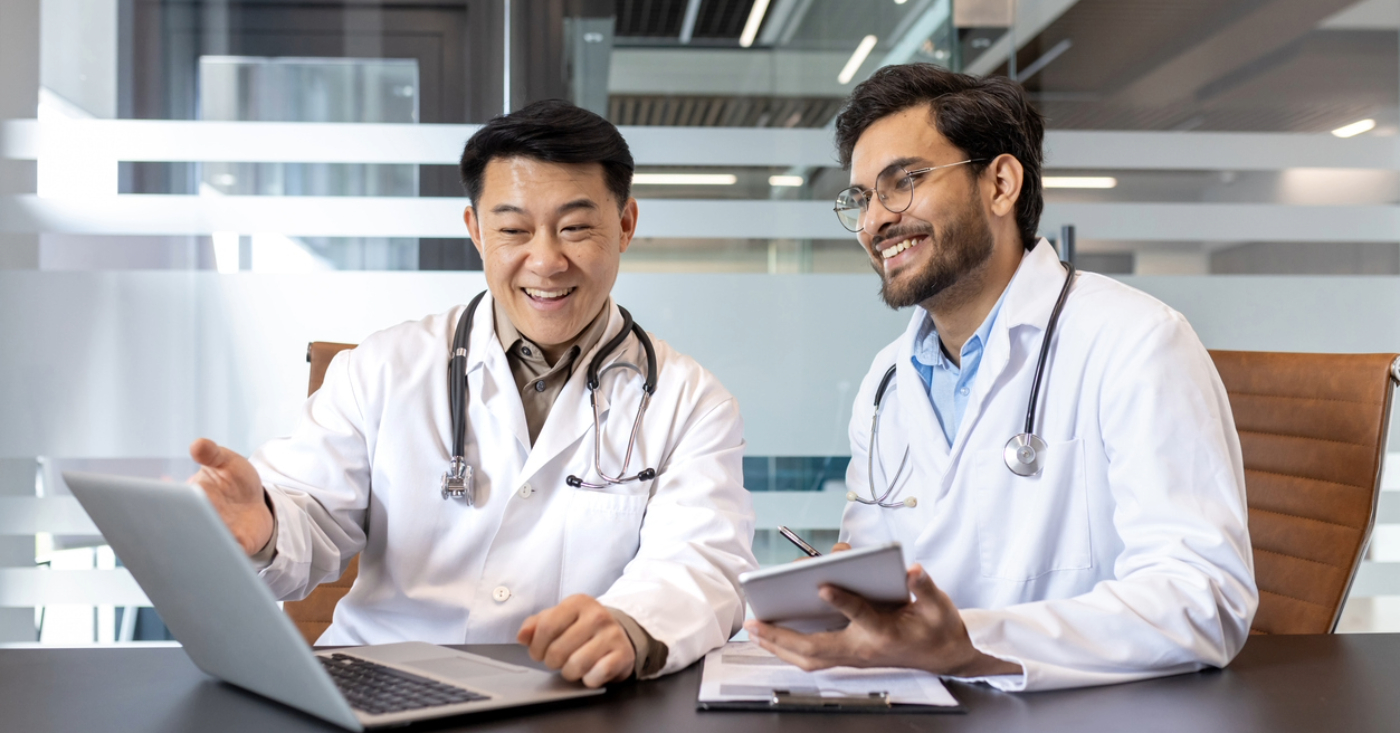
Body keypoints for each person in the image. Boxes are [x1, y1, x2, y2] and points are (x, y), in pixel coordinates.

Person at [187, 99, 757, 688]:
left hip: (567, 695)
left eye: (575, 227)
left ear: (626, 225)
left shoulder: (691, 401)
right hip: (380, 681)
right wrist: (266, 526)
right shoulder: (382, 368)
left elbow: (702, 563)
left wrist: (632, 625)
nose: (545, 260)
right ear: (476, 232)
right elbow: (307, 513)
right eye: (513, 229)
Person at [746, 64, 1257, 691]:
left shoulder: (1136, 342)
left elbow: (1204, 598)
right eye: (862, 199)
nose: (876, 221)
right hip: (922, 705)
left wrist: (972, 644)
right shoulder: (887, 380)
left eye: (903, 181)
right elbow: (882, 566)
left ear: (1000, 184)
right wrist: (844, 597)